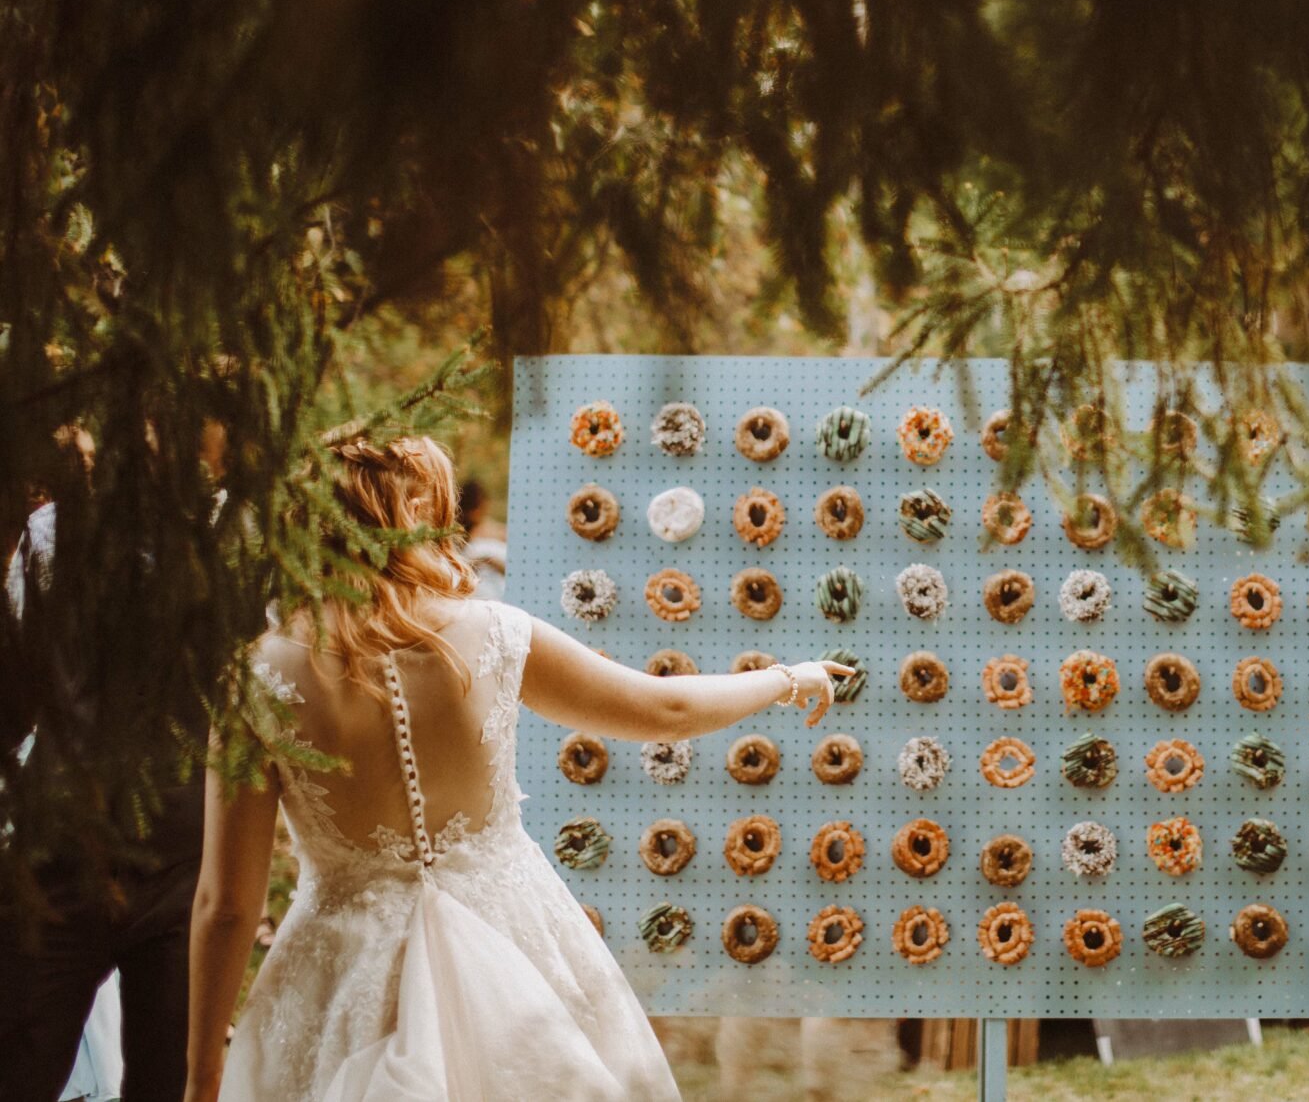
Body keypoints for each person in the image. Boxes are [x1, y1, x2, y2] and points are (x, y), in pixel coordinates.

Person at [182, 435, 852, 1102]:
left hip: (337, 981)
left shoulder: (258, 676)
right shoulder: (495, 634)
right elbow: (667, 707)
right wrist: (787, 679)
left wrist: (201, 1076)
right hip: (518, 952)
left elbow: (226, 905)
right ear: (415, 512)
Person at [1, 421, 220, 1102]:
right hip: (169, 846)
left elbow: (14, 698)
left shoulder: (47, 536)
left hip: (77, 847)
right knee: (161, 1078)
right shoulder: (229, 539)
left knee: (22, 1066)